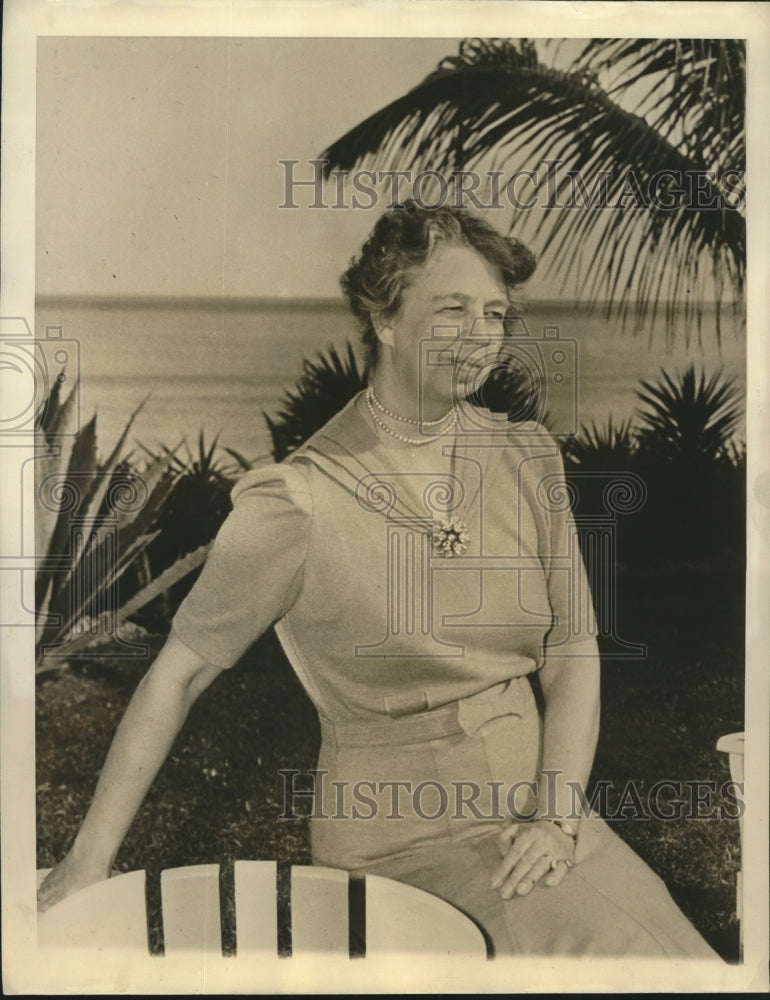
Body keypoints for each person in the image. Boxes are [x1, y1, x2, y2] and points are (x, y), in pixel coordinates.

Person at [38, 201, 720, 959]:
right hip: (403, 844)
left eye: (495, 313)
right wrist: (87, 861)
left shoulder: (528, 458)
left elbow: (572, 651)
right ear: (385, 319)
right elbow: (180, 674)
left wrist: (556, 816)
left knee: (679, 959)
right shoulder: (298, 501)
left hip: (546, 820)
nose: (482, 335)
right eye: (453, 309)